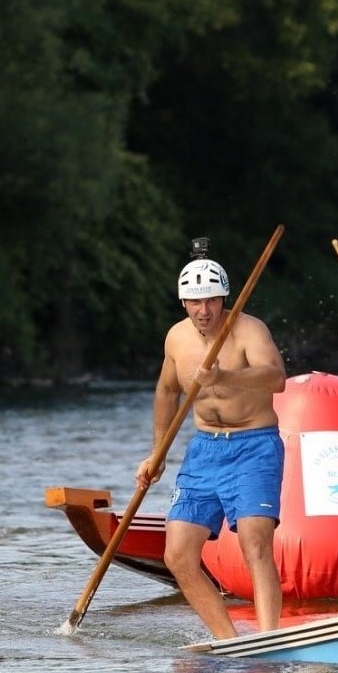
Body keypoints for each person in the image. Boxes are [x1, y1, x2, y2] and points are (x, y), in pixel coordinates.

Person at [135, 242, 286, 639]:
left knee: (255, 542)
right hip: (204, 450)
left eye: (212, 301)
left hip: (254, 444)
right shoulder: (175, 339)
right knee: (178, 555)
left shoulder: (249, 330)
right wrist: (158, 452)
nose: (204, 311)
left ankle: (270, 639)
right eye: (195, 302)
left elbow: (276, 376)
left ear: (224, 298)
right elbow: (167, 392)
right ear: (183, 302)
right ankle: (228, 641)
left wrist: (225, 377)